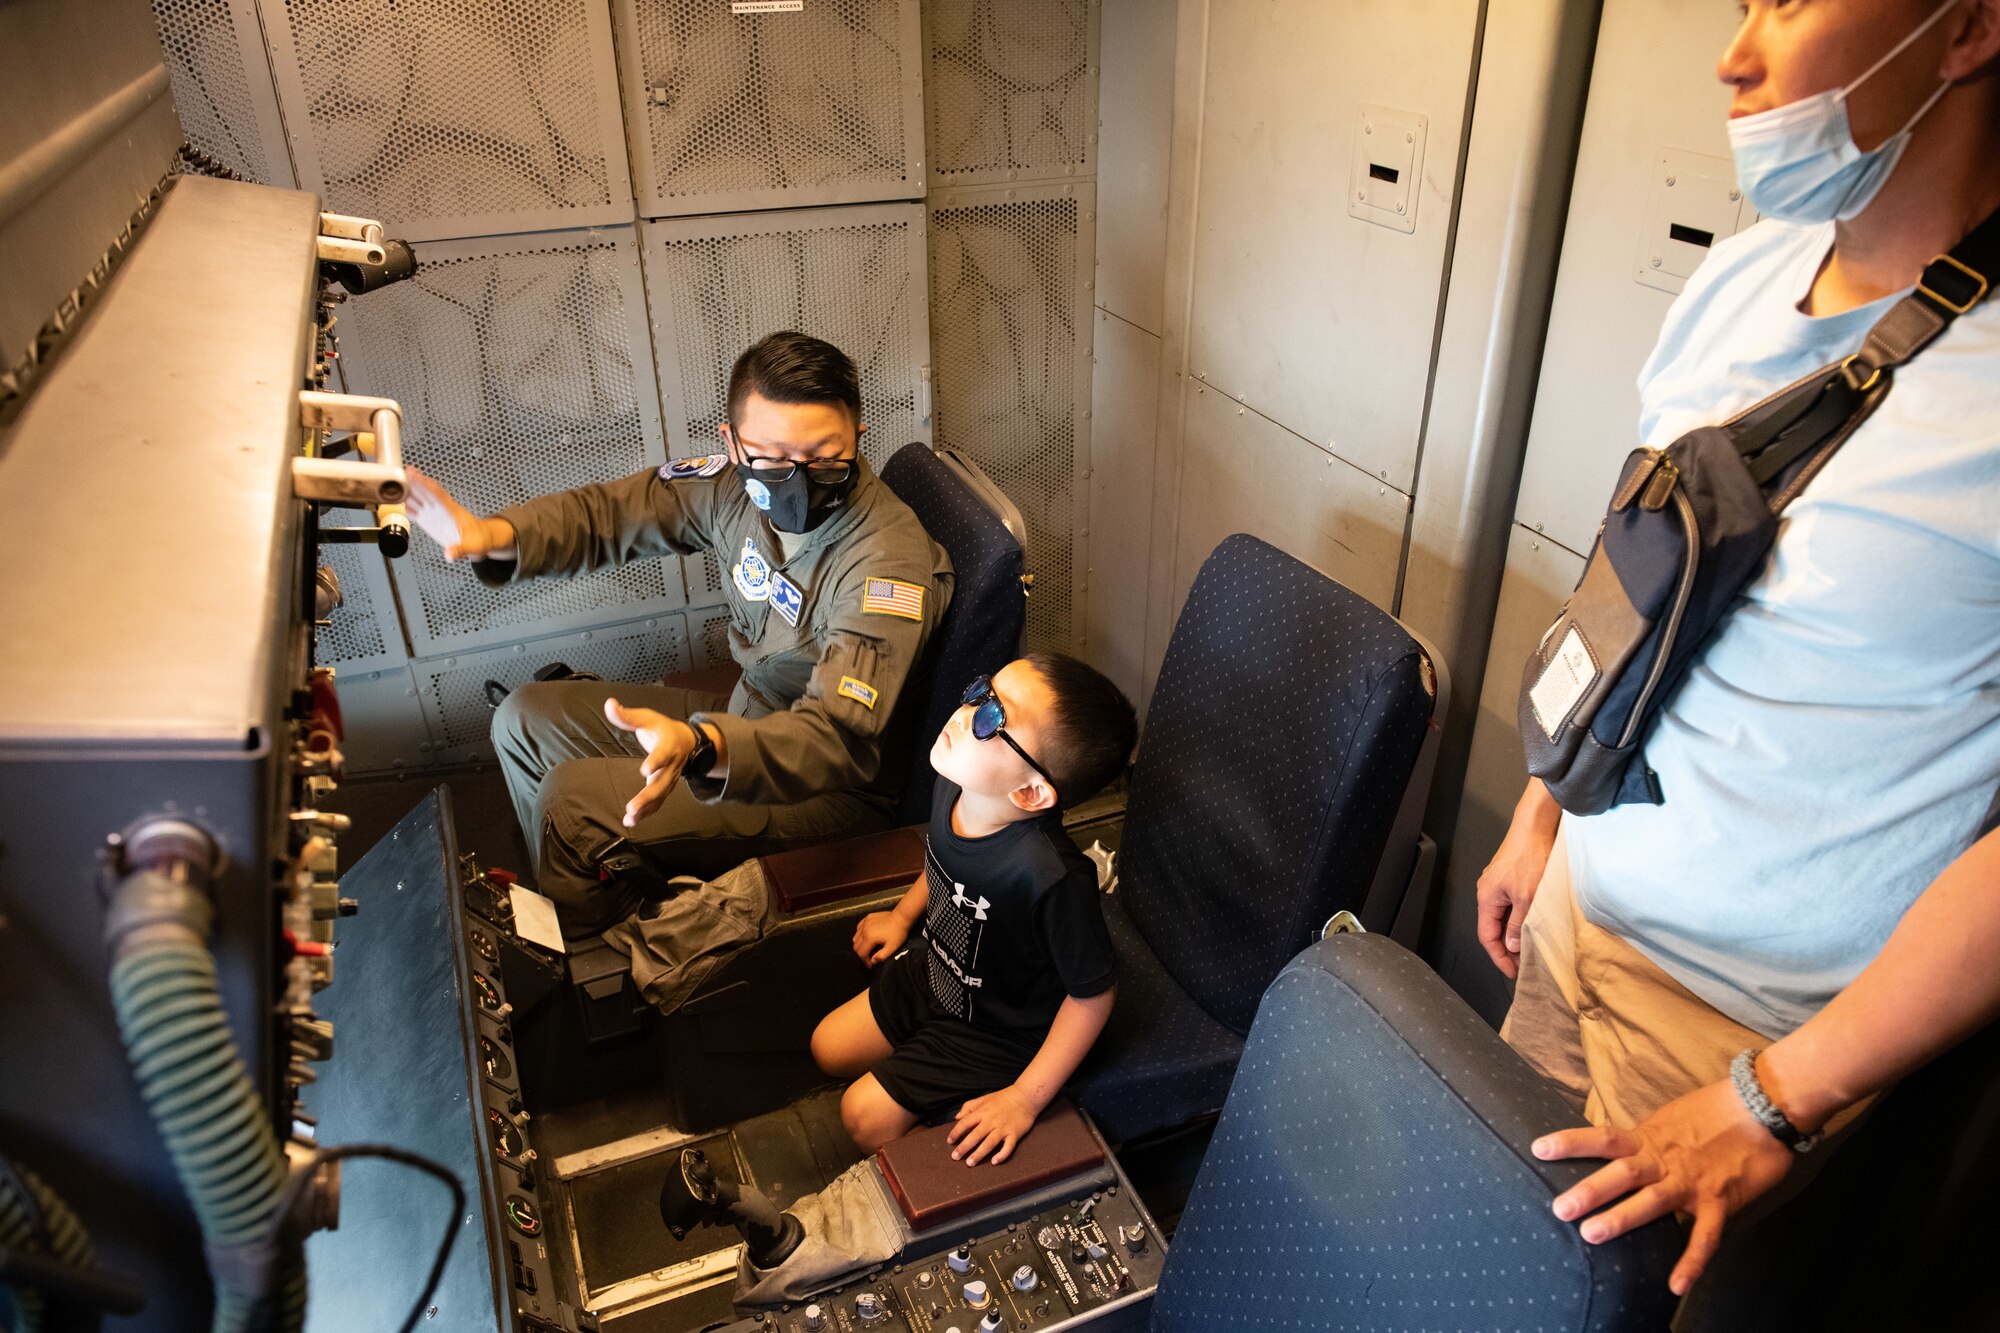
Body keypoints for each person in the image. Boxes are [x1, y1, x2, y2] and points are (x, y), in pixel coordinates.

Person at [1476, 0, 2000, 1297]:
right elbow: (1643, 577)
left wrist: (1776, 1098)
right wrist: (1546, 809)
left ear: (1967, 29)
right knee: (1497, 1273)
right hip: (1577, 911)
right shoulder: (1741, 274)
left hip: (1749, 1041)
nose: (1737, 52)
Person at [404, 331, 953, 935]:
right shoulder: (732, 489)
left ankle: (610, 962)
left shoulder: (885, 563)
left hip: (826, 789)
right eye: (770, 458)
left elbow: (836, 739)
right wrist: (498, 537)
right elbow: (613, 514)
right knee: (524, 718)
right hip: (748, 714)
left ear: (858, 438)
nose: (795, 480)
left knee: (572, 805)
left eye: (824, 456)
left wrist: (702, 748)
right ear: (732, 444)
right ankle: (581, 885)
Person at [809, 655, 1137, 1163]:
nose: (965, 714)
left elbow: (1093, 996)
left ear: (1030, 792)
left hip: (1003, 1031)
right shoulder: (956, 785)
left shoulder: (1051, 877)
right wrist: (902, 916)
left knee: (862, 1116)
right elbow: (943, 861)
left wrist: (1024, 1100)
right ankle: (925, 1077)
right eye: (981, 692)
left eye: (992, 721)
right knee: (827, 1047)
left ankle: (949, 1116)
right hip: (941, 976)